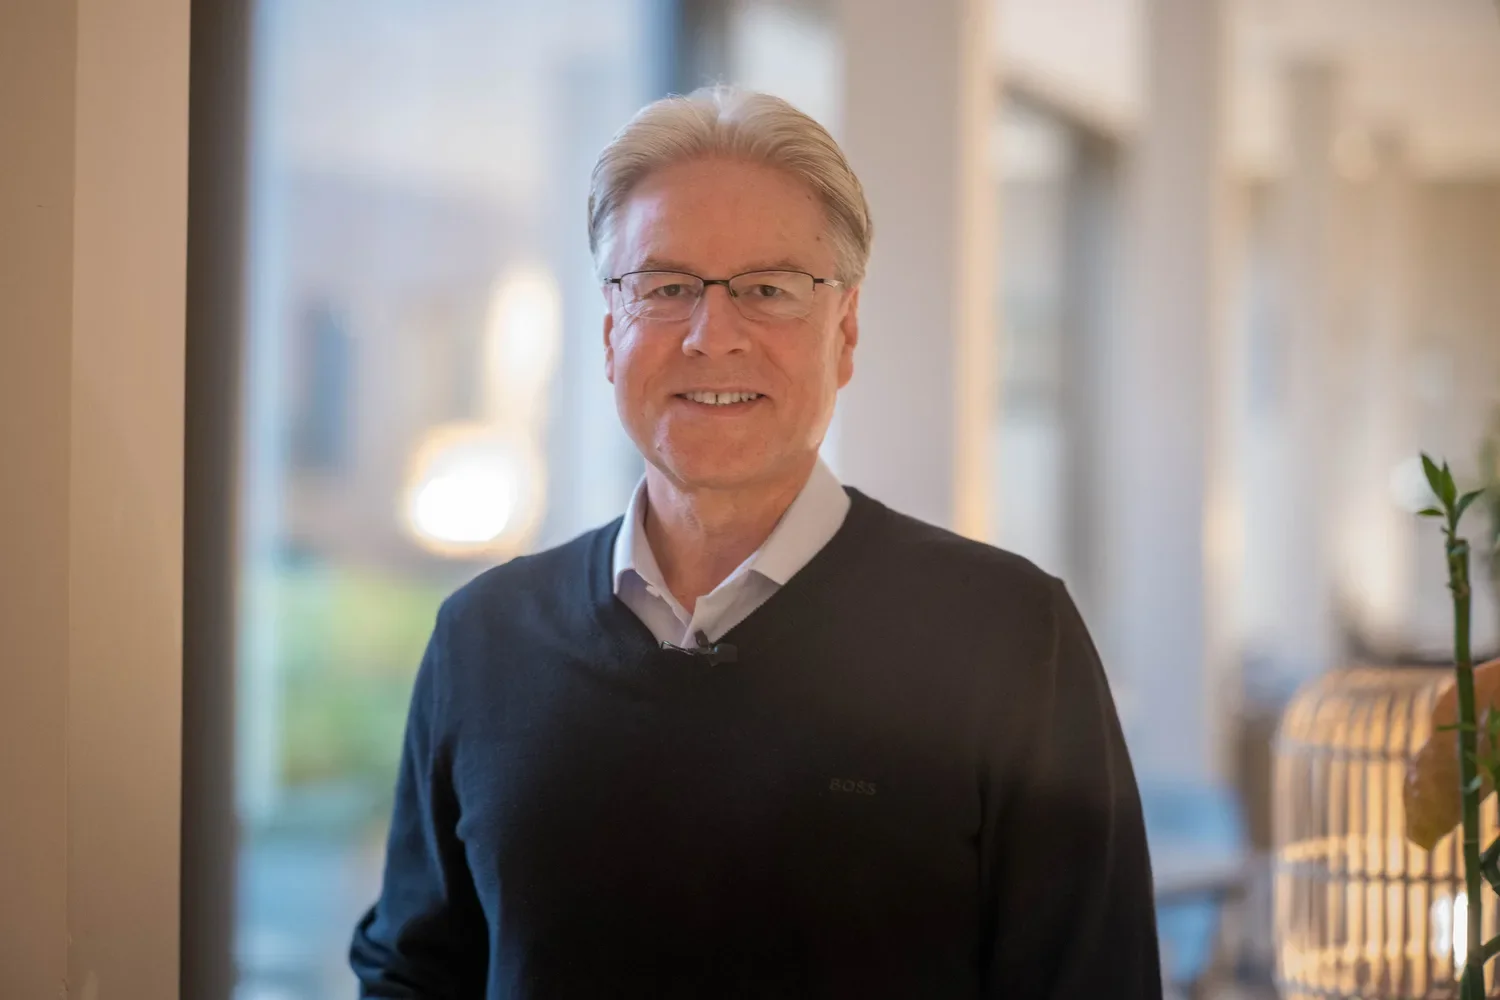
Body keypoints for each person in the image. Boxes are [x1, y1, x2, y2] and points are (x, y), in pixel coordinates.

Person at [350, 85, 1161, 998]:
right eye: (666, 288)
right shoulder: (482, 637)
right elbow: (413, 974)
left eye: (769, 290)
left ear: (844, 332)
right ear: (611, 329)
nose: (712, 336)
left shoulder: (1011, 636)